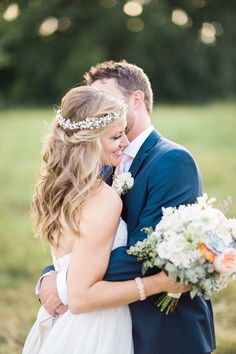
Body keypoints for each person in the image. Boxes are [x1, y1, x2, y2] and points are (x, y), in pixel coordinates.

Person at [38, 61, 216, 354]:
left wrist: (65, 284)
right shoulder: (98, 162)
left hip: (162, 330)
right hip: (105, 321)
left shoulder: (172, 161)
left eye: (106, 98)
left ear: (136, 99)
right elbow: (84, 239)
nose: (99, 107)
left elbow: (149, 252)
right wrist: (52, 274)